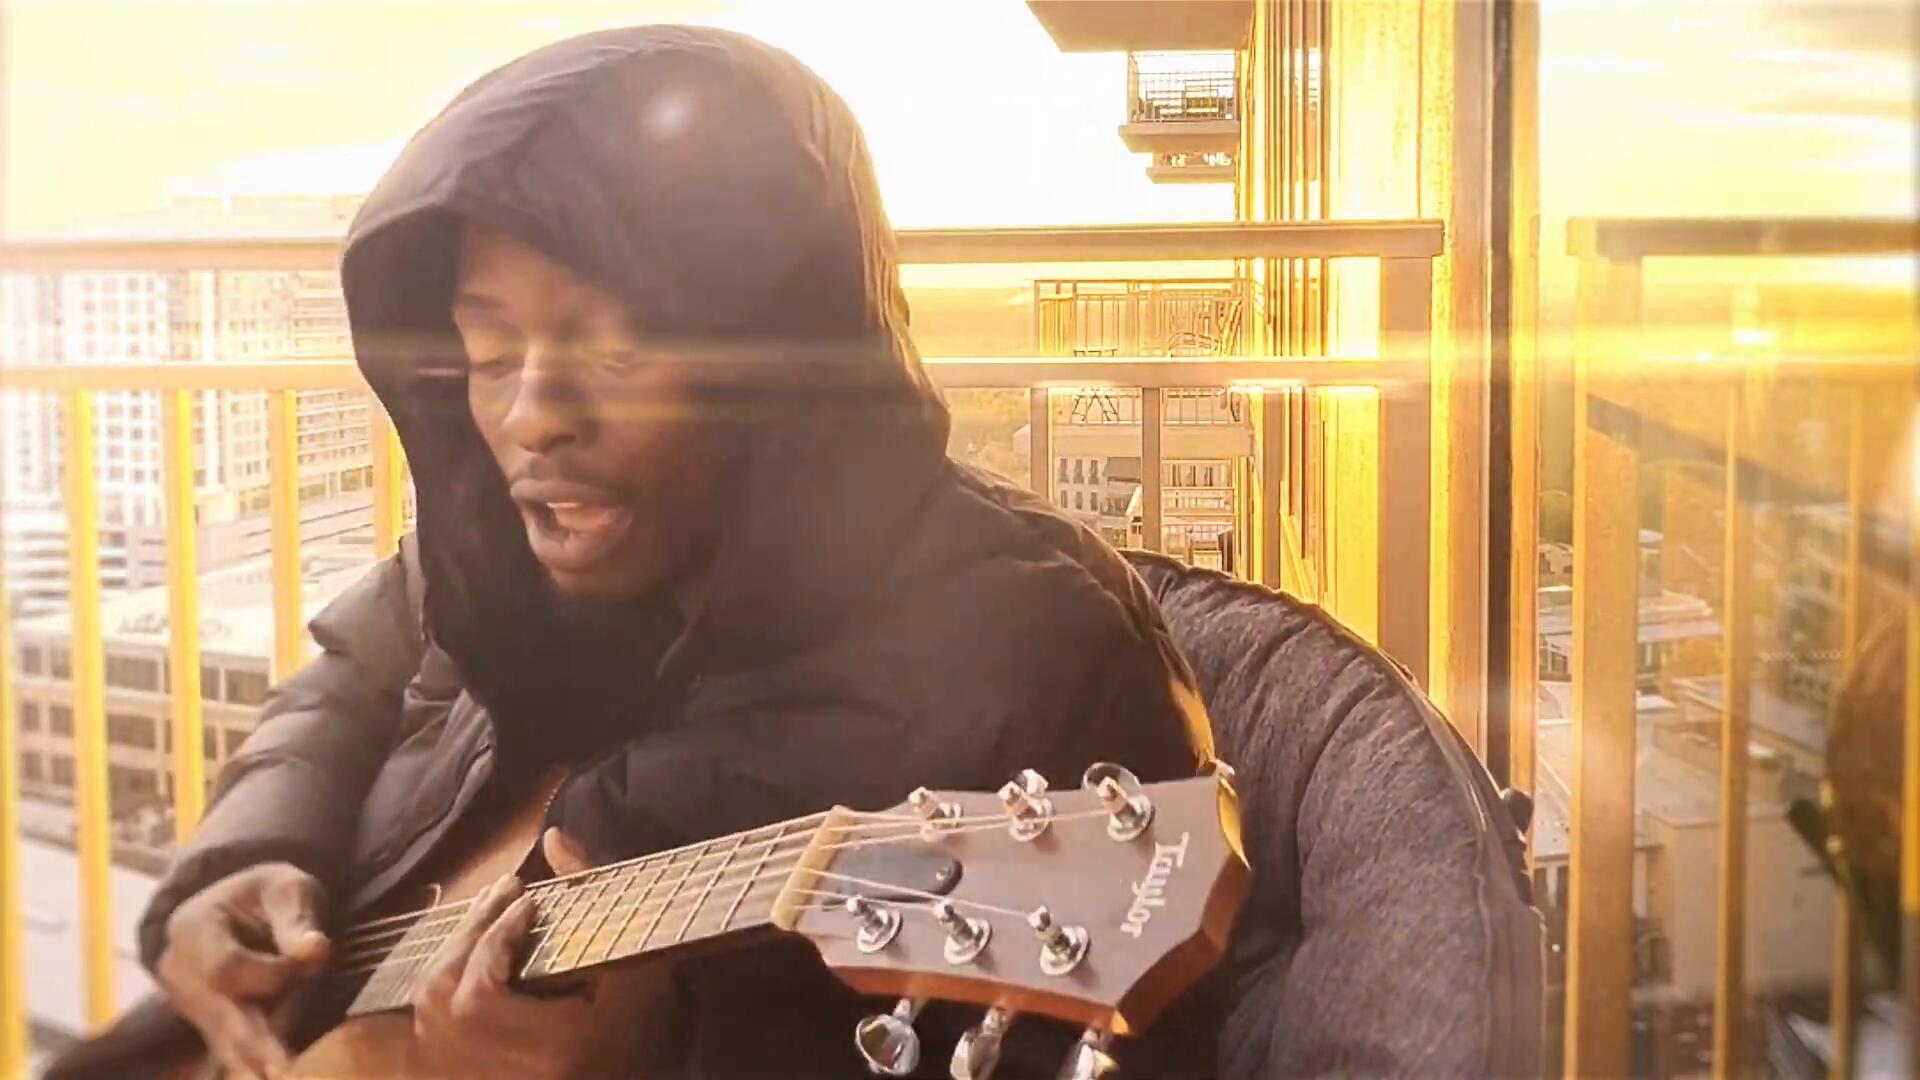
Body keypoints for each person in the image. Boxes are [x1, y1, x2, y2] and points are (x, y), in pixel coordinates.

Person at [49, 25, 1223, 1079]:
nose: (531, 417)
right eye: (490, 355)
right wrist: (242, 859)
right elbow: (344, 685)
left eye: (616, 351)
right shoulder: (505, 549)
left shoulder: (1038, 662)